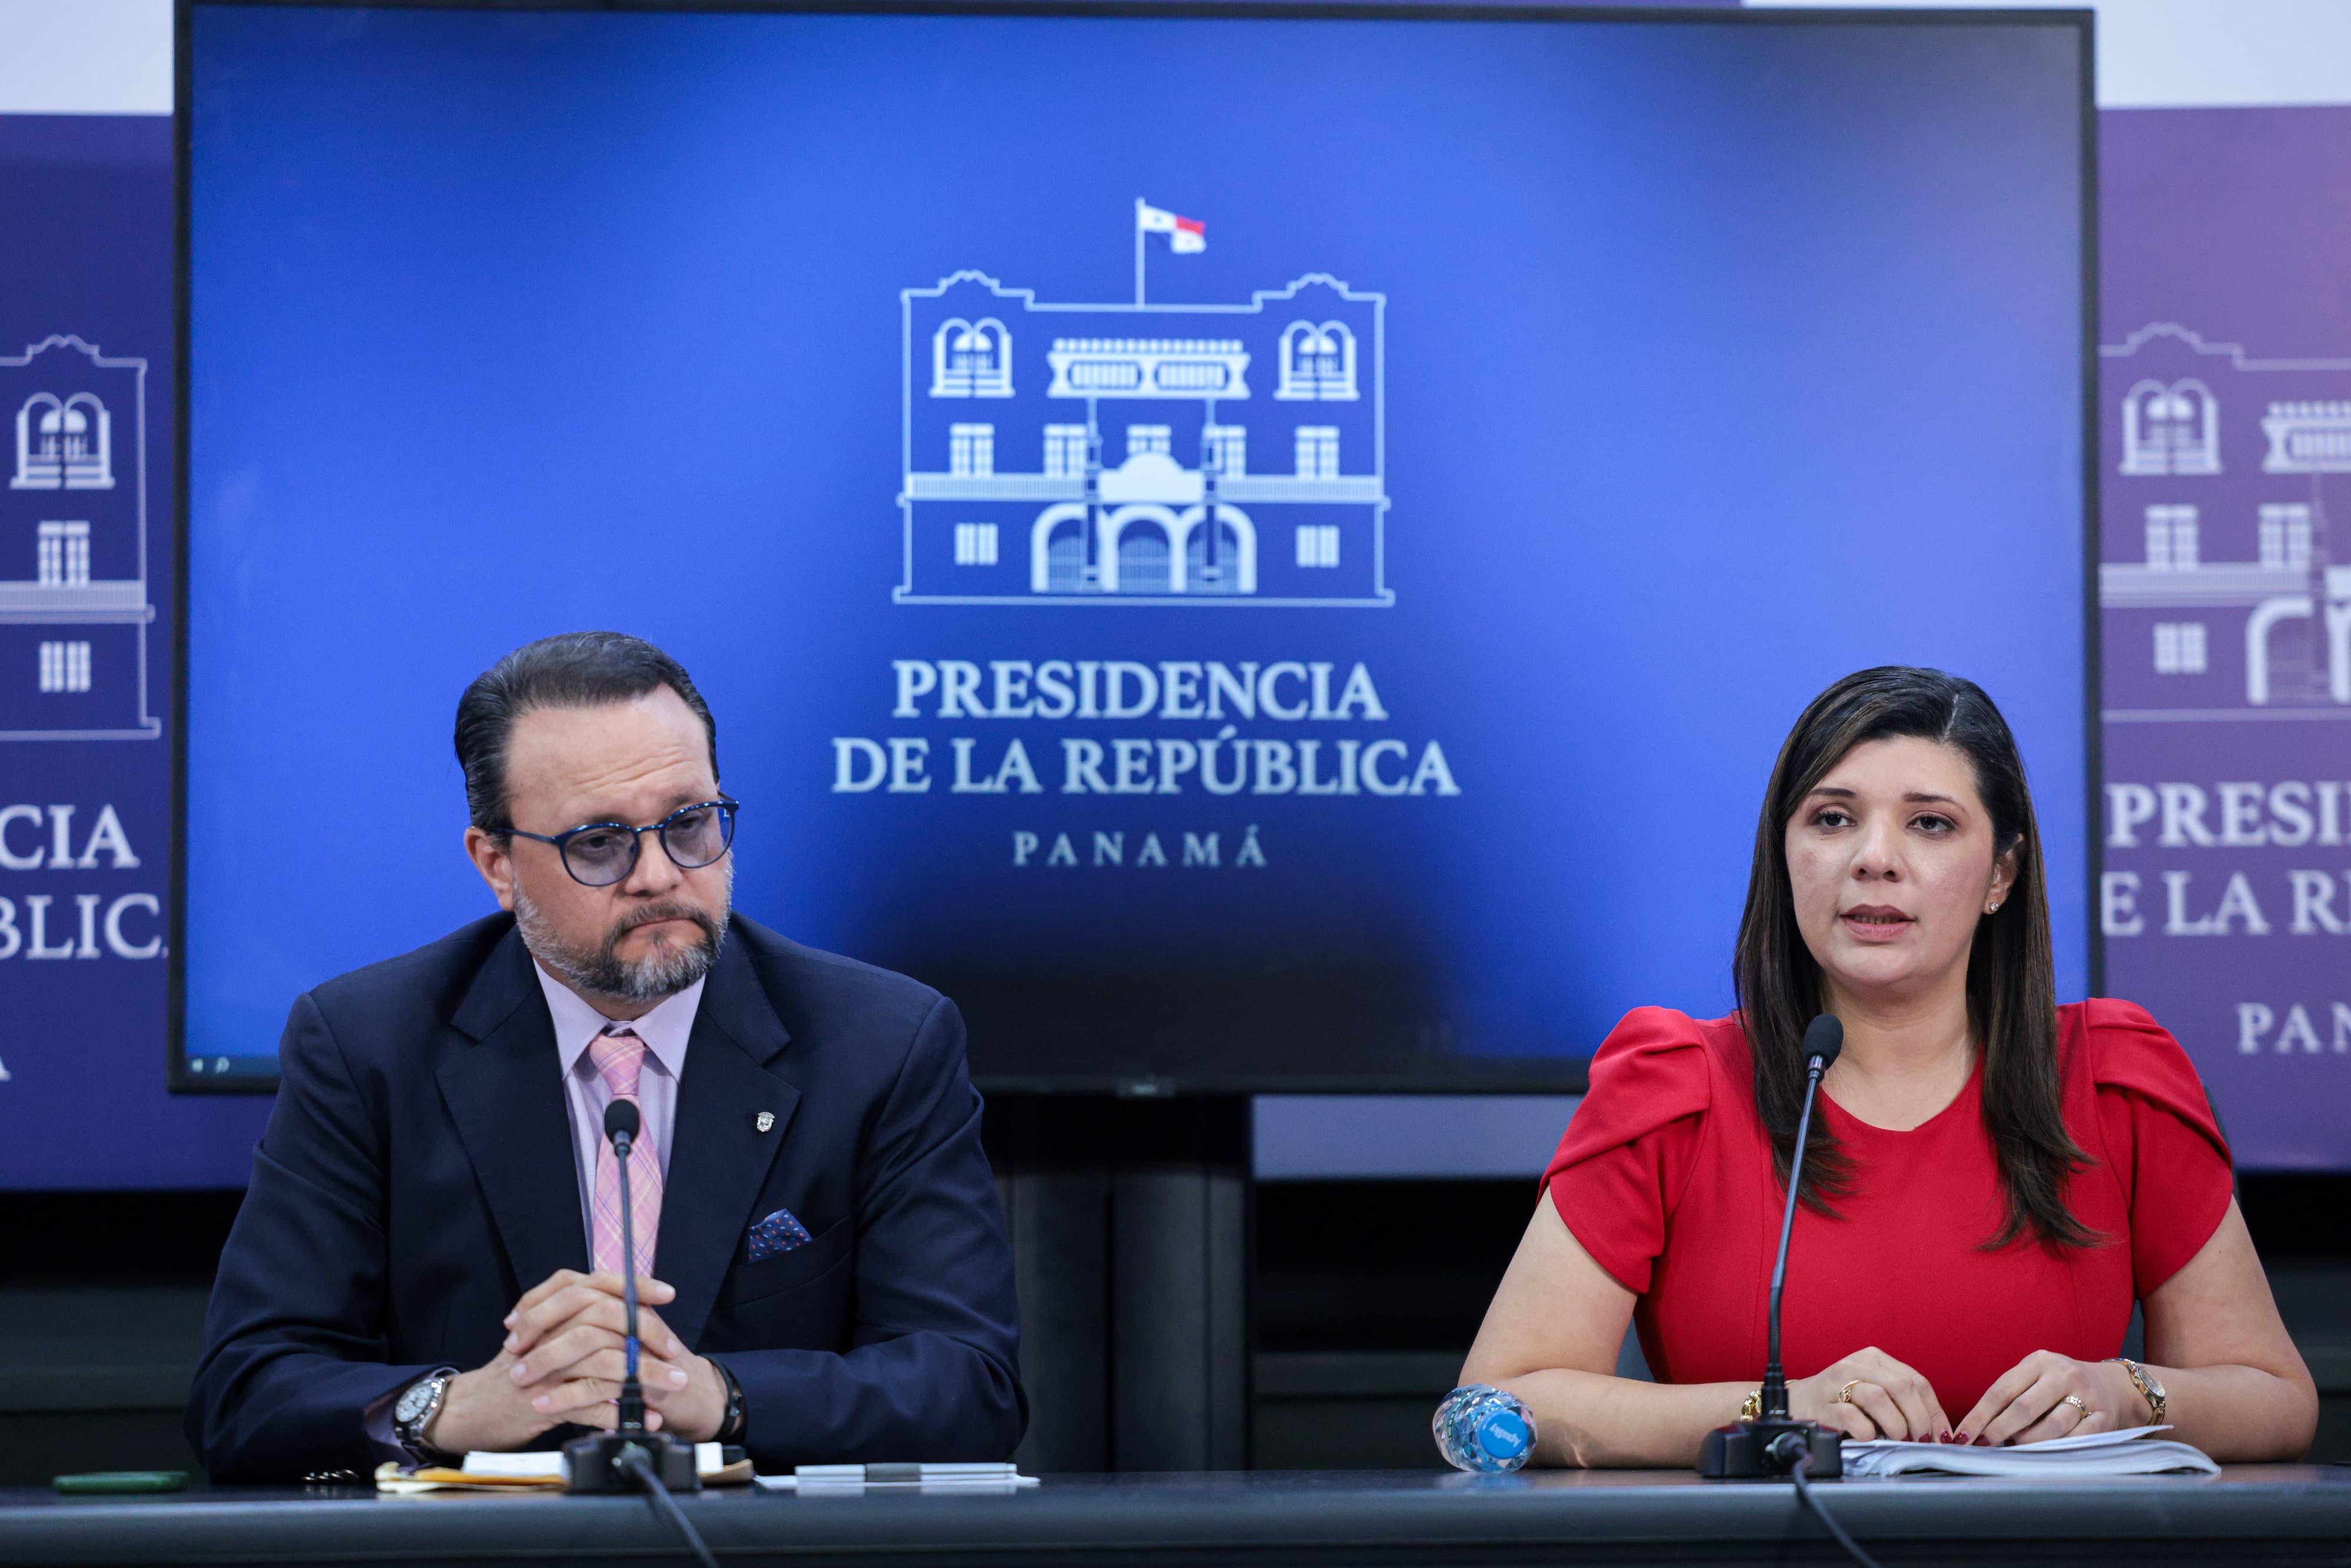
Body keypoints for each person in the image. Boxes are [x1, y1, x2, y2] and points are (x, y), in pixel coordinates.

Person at [188, 632, 1024, 1480]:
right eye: (599, 842)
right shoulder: (370, 1046)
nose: (659, 875)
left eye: (689, 825)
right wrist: (451, 1409)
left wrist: (720, 1397)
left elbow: (969, 1387)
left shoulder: (880, 1044)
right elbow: (245, 1392)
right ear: (497, 865)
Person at [1462, 667, 2315, 1466]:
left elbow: (2276, 1399)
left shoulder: (2112, 1080)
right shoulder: (1674, 1088)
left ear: (2002, 873)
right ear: (1785, 855)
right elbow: (1492, 1405)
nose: (1874, 857)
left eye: (1930, 823)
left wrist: (2130, 1395)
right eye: (1832, 819)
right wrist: (1777, 1413)